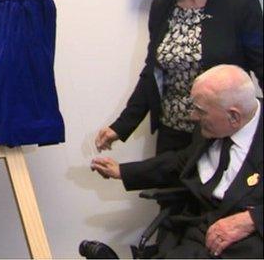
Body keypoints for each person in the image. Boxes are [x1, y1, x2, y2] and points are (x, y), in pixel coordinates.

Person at [95, 0, 263, 155]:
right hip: (172, 135)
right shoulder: (161, 7)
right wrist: (121, 127)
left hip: (220, 136)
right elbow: (152, 74)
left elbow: (261, 65)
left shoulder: (240, 4)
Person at [91, 65, 263, 258]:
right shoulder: (210, 126)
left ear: (234, 116)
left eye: (200, 111)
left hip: (247, 239)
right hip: (200, 227)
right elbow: (182, 160)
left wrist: (252, 220)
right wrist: (123, 171)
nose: (193, 117)